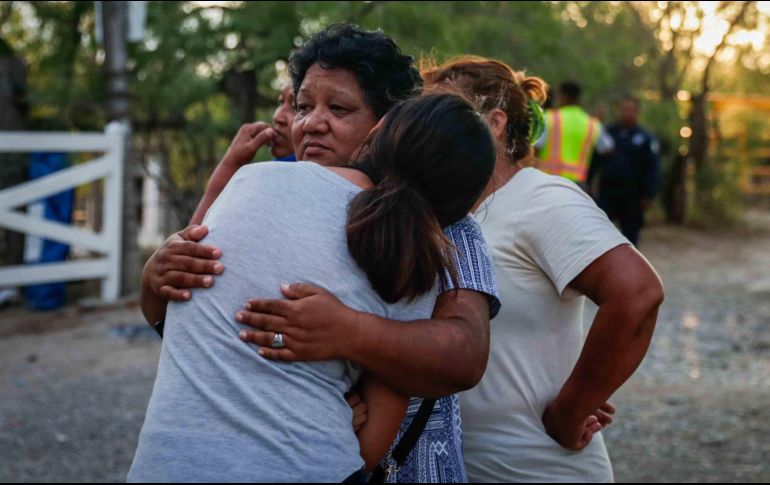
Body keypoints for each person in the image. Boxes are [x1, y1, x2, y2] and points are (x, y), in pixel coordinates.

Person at [140, 24, 500, 483]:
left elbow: (465, 356)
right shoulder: (263, 192)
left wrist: (349, 333)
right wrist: (154, 282)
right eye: (303, 106)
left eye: (340, 109)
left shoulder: (437, 227)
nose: (311, 123)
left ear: (386, 124)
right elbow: (199, 331)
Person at [420, 56, 665, 482]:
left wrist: (572, 409)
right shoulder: (445, 210)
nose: (427, 127)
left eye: (443, 112)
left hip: (537, 470)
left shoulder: (541, 198)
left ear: (494, 123)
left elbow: (636, 294)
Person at [587, 95, 661, 246]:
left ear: (637, 112)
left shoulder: (645, 137)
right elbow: (594, 160)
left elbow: (653, 167)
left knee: (630, 239)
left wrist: (649, 194)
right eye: (623, 109)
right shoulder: (607, 133)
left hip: (633, 198)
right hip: (608, 194)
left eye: (630, 110)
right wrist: (588, 183)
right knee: (600, 236)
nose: (626, 113)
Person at [537, 81, 613, 185]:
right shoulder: (592, 123)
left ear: (564, 96)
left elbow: (535, 147)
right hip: (577, 185)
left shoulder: (550, 118)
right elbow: (607, 148)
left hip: (548, 181)